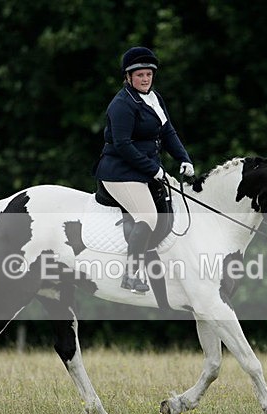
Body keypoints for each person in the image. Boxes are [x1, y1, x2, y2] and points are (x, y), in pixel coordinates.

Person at [94, 46, 195, 294]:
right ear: (128, 77)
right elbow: (123, 145)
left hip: (143, 169)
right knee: (148, 217)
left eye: (149, 74)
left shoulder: (154, 98)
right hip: (119, 172)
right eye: (140, 75)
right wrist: (154, 170)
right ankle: (130, 274)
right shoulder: (121, 105)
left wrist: (184, 158)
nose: (145, 79)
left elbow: (168, 131)